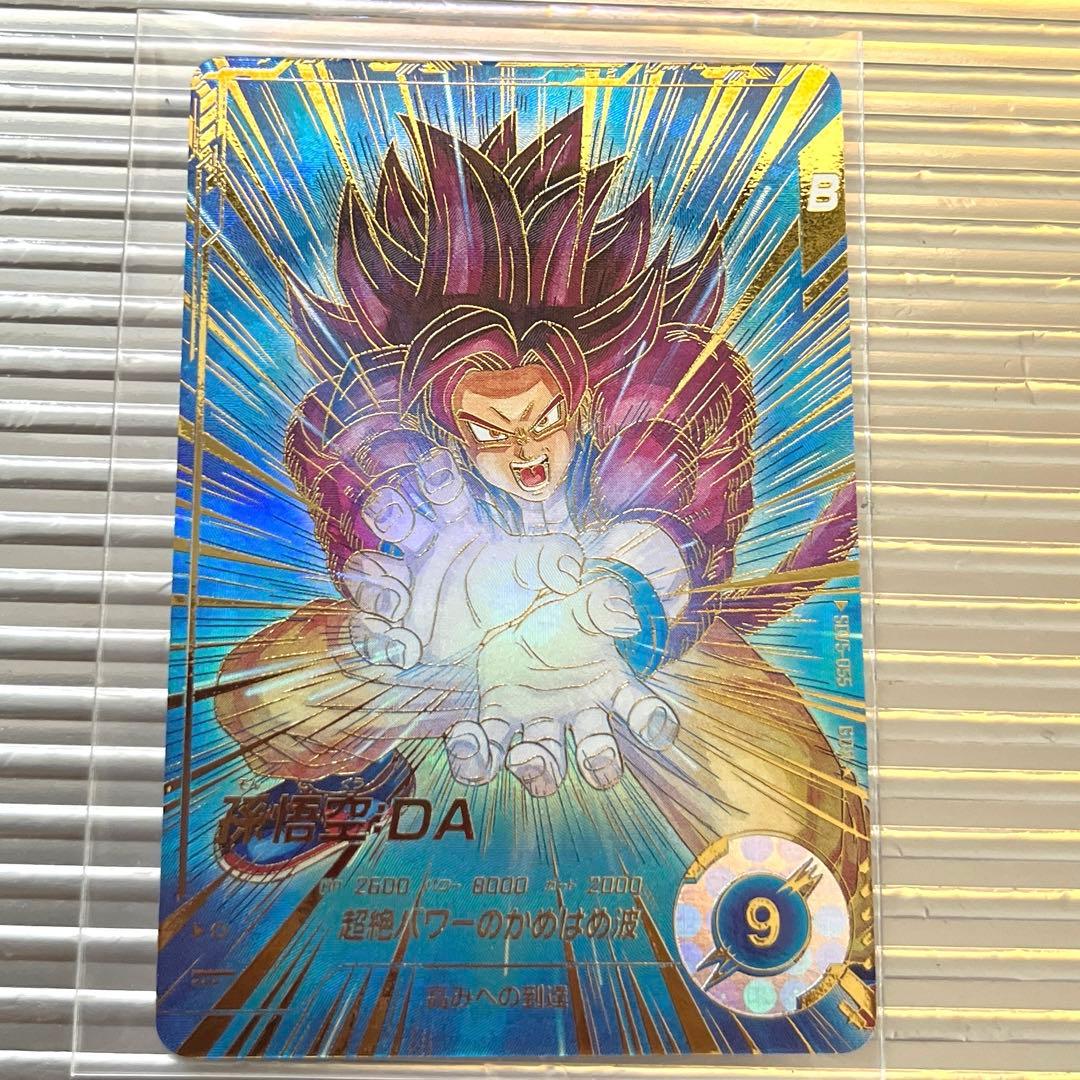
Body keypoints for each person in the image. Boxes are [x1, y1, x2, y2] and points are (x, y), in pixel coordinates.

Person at [212, 109, 868, 942]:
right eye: (491, 430)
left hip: (636, 647)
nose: (525, 450)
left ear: (578, 398)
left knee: (794, 836)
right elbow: (348, 454)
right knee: (264, 697)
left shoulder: (655, 386)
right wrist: (402, 578)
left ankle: (847, 924)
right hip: (458, 645)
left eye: (541, 419)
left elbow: (673, 469)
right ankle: (357, 779)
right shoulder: (386, 412)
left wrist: (625, 595)